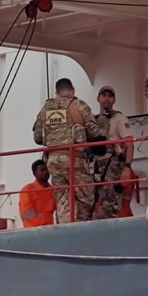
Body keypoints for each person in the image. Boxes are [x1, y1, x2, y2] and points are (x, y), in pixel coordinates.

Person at [32, 78, 102, 223]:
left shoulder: (46, 109)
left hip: (53, 161)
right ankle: (82, 227)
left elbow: (38, 137)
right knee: (85, 196)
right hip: (74, 159)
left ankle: (65, 229)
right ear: (72, 90)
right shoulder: (79, 105)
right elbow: (94, 132)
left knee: (63, 198)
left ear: (56, 92)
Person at [90, 85, 135, 220]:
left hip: (114, 169)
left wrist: (127, 168)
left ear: (114, 100)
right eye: (104, 95)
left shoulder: (119, 118)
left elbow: (129, 144)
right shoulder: (93, 120)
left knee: (110, 206)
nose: (107, 99)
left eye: (110, 96)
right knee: (95, 205)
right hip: (96, 170)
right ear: (98, 99)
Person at [18, 159, 56, 228]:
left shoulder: (53, 190)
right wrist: (43, 224)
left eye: (47, 169)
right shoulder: (27, 190)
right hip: (32, 230)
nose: (46, 172)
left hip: (50, 229)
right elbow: (26, 213)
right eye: (42, 170)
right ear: (34, 174)